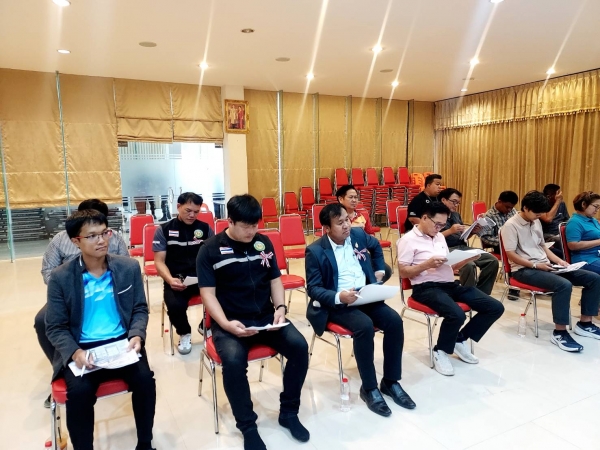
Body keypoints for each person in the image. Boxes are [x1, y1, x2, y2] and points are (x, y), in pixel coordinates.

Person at [196, 194, 310, 450]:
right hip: (230, 322)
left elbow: (274, 279)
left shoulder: (263, 242)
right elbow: (207, 295)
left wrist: (280, 308)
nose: (251, 231)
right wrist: (225, 324)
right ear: (230, 222)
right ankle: (248, 426)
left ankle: (289, 412)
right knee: (234, 363)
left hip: (266, 318)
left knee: (299, 348)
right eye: (245, 226)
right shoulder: (210, 249)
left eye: (255, 225)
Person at [45, 210, 156, 450]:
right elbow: (55, 326)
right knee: (79, 394)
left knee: (145, 381)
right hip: (84, 348)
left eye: (105, 233)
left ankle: (145, 443)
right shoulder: (61, 278)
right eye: (92, 236)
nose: (101, 240)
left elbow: (139, 308)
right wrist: (75, 352)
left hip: (122, 343)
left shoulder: (127, 267)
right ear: (76, 241)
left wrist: (137, 334)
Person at [305, 203, 415, 417]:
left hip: (365, 295)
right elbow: (314, 288)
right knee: (364, 326)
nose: (346, 225)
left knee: (394, 322)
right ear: (327, 228)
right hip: (338, 302)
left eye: (347, 219)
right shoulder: (315, 251)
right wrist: (339, 296)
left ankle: (390, 381)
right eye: (340, 223)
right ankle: (369, 387)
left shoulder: (358, 235)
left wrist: (379, 269)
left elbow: (376, 247)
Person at [36, 199, 129, 408]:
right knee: (43, 320)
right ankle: (62, 368)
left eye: (100, 226)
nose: (99, 237)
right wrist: (68, 289)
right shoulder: (60, 240)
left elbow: (126, 267)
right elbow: (48, 270)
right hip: (68, 296)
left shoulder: (114, 239)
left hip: (107, 292)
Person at [397, 202, 504, 376]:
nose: (439, 228)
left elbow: (450, 267)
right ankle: (440, 350)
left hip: (449, 284)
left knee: (495, 307)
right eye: (437, 224)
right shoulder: (407, 240)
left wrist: (466, 259)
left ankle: (459, 340)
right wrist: (426, 265)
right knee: (456, 314)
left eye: (443, 225)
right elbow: (403, 272)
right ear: (424, 218)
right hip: (425, 288)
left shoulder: (439, 237)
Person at [501, 190, 600, 352]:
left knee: (594, 278)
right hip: (524, 269)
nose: (539, 216)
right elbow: (511, 254)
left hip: (545, 265)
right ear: (525, 208)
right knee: (563, 285)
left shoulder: (536, 221)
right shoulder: (511, 225)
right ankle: (559, 333)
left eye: (541, 213)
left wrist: (559, 261)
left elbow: (542, 246)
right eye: (536, 213)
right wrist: (535, 265)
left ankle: (585, 323)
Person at [153, 192, 214, 354]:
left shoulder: (205, 229)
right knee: (175, 305)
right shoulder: (164, 230)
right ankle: (184, 333)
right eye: (188, 211)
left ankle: (206, 325)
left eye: (196, 212)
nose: (192, 215)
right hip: (176, 279)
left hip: (202, 278)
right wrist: (170, 279)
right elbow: (159, 261)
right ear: (178, 207)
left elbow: (213, 256)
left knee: (227, 292)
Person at [439, 188, 499, 295]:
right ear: (443, 200)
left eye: (458, 203)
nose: (456, 205)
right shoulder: (435, 216)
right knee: (469, 264)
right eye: (453, 202)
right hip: (446, 249)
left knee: (492, 260)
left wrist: (472, 232)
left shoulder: (456, 215)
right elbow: (432, 238)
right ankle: (468, 295)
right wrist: (450, 231)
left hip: (462, 247)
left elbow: (463, 237)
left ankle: (482, 293)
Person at [336, 184, 392, 282]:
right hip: (342, 254)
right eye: (350, 197)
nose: (354, 200)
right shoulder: (335, 216)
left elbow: (370, 235)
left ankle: (370, 286)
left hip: (361, 251)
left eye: (356, 197)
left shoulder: (362, 216)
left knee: (386, 270)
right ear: (341, 199)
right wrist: (354, 227)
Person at [565, 191, 600, 274]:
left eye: (599, 207)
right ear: (583, 204)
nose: (597, 210)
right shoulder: (574, 222)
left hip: (596, 256)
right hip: (585, 260)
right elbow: (573, 245)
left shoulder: (593, 220)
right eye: (596, 206)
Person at [540, 183, 569, 259]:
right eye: (558, 193)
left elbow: (566, 220)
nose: (560, 195)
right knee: (561, 241)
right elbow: (548, 219)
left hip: (560, 233)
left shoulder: (562, 204)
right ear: (549, 196)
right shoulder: (541, 205)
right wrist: (558, 201)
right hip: (547, 235)